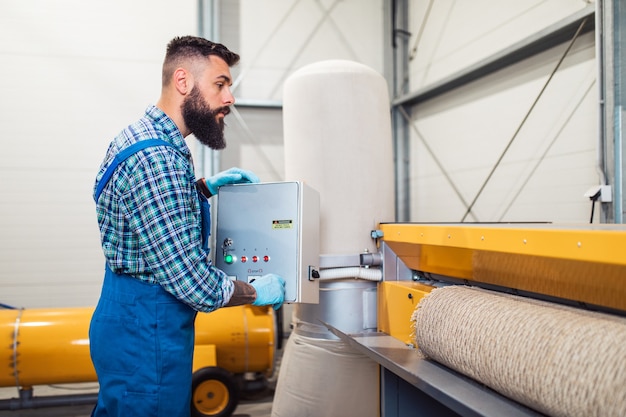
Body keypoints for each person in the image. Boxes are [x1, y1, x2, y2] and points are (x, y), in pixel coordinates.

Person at [89, 36, 286, 417]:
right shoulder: (157, 158)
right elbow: (192, 284)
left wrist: (201, 189)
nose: (229, 98)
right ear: (183, 81)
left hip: (129, 321)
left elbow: (140, 214)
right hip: (147, 334)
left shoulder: (139, 137)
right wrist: (255, 292)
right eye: (220, 84)